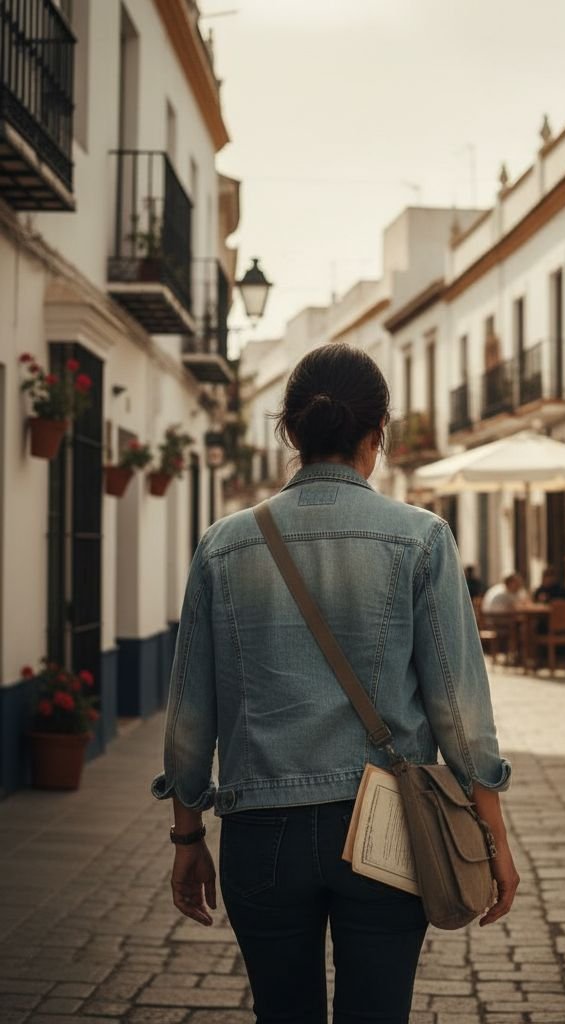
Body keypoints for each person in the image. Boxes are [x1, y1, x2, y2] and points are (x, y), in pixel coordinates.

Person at [151, 344, 518, 1024]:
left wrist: (186, 837)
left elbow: (189, 715)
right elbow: (459, 711)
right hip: (387, 825)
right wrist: (492, 837)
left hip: (261, 829)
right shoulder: (422, 538)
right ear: (378, 433)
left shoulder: (222, 544)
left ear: (289, 432)